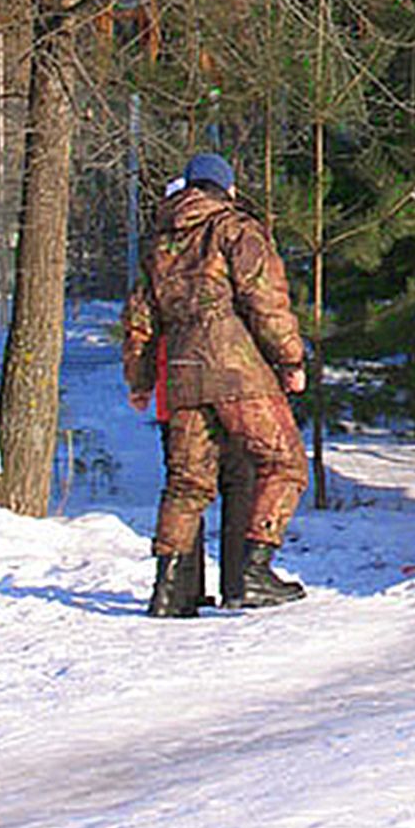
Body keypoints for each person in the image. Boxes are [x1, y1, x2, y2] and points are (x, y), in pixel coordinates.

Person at [123, 152, 310, 617]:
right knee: (286, 464)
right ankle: (255, 571)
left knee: (187, 484)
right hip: (236, 370)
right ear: (227, 188)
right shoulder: (236, 229)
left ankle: (168, 592)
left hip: (183, 376)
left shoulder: (160, 243)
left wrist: (140, 380)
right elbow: (266, 301)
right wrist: (290, 357)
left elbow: (140, 321)